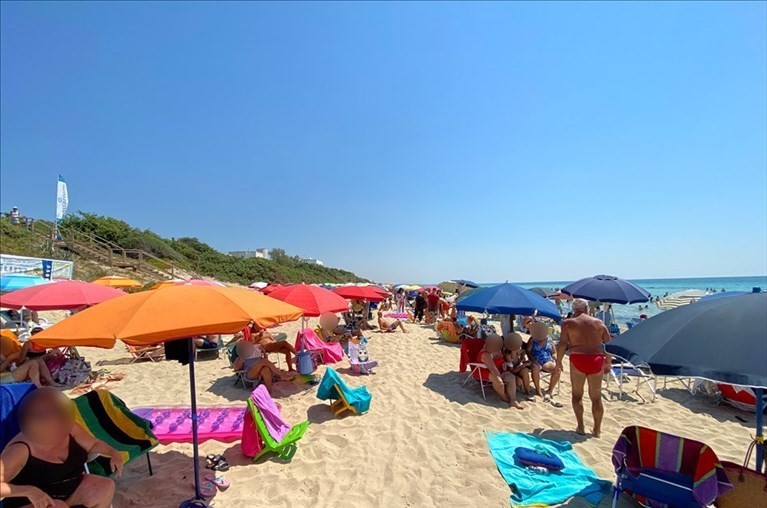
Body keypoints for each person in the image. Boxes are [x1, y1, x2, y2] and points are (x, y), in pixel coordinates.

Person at [0, 388, 119, 508]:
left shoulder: (68, 428)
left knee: (104, 486)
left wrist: (113, 452)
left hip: (66, 494)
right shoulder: (19, 450)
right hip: (31, 502)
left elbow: (93, 445)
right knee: (57, 505)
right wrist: (29, 491)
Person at [556, 298, 612, 437]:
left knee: (577, 395)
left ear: (574, 309)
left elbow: (563, 344)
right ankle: (597, 430)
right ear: (587, 308)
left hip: (578, 359)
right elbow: (609, 344)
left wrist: (558, 361)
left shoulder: (568, 323)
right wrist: (608, 362)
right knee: (596, 397)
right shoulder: (599, 323)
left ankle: (581, 427)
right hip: (596, 359)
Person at [480, 334, 523, 410]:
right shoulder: (485, 354)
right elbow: (493, 368)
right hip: (485, 370)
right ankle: (503, 397)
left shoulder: (497, 350)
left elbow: (500, 361)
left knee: (510, 376)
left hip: (498, 370)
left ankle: (513, 400)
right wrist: (500, 378)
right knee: (499, 382)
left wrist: (503, 364)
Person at [527, 322, 561, 404]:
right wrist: (532, 359)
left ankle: (549, 390)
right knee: (535, 368)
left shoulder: (549, 339)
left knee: (557, 369)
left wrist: (556, 360)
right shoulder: (533, 339)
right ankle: (538, 389)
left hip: (547, 360)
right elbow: (528, 351)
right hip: (536, 359)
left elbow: (554, 352)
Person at [502, 332, 532, 399]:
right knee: (519, 381)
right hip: (510, 373)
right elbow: (512, 371)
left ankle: (528, 392)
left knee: (525, 370)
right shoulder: (508, 355)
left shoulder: (519, 351)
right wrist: (523, 365)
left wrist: (522, 357)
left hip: (517, 370)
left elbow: (524, 350)